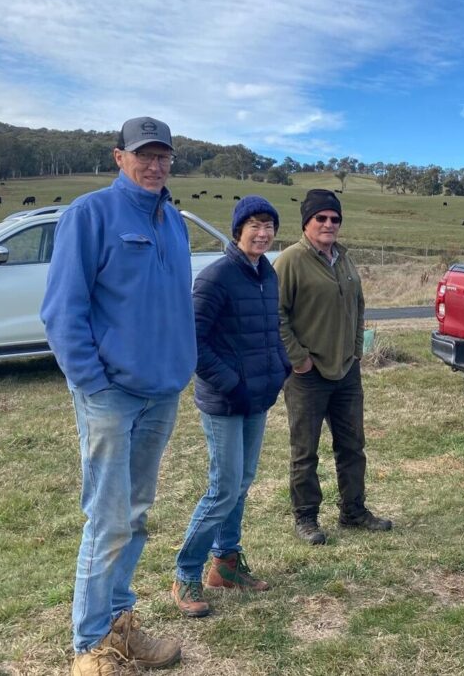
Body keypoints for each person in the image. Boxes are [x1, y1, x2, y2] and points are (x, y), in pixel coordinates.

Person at [42, 117, 194, 675]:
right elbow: (62, 311)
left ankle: (123, 624)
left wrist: (182, 364)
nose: (154, 165)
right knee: (106, 518)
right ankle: (90, 646)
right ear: (119, 157)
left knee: (135, 513)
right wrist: (92, 381)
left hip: (162, 392)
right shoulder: (89, 216)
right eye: (143, 155)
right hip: (111, 396)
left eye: (163, 156)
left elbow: (173, 303)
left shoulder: (174, 221)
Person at [172, 196, 290, 617]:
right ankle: (186, 572)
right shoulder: (215, 277)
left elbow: (270, 330)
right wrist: (232, 383)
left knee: (242, 482)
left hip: (256, 397)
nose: (263, 233)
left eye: (269, 225)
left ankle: (225, 564)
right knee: (223, 488)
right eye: (255, 224)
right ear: (238, 229)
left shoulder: (267, 274)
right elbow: (193, 344)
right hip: (224, 401)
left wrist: (281, 369)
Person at [274, 189, 392, 545]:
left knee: (352, 445)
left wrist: (357, 349)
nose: (329, 224)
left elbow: (358, 303)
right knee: (305, 450)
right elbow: (275, 315)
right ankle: (306, 518)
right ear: (306, 222)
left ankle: (353, 511)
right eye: (321, 218)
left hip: (346, 371)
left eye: (334, 219)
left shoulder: (343, 258)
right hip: (307, 376)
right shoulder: (290, 261)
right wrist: (299, 358)